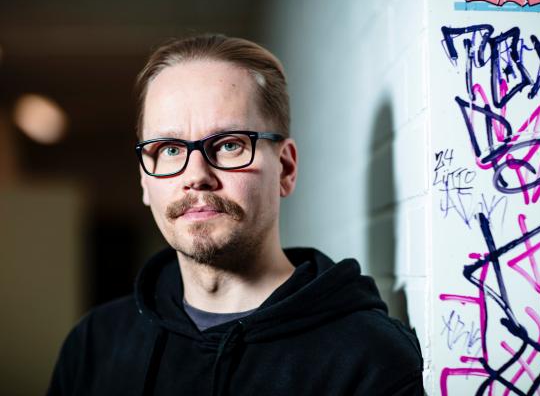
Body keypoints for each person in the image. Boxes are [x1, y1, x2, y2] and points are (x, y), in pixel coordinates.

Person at [48, 34, 424, 396]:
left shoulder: (369, 358)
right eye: (169, 149)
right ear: (145, 181)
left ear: (286, 168)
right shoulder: (94, 345)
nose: (196, 176)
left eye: (229, 145)